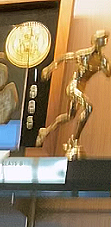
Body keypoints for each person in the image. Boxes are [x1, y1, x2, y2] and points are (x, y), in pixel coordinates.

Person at [36, 29, 110, 159]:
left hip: (81, 89)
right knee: (88, 107)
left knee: (69, 116)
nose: (105, 41)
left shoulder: (102, 61)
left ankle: (46, 131)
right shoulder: (84, 54)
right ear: (96, 40)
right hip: (73, 87)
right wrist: (50, 68)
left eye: (106, 39)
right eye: (102, 38)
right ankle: (74, 140)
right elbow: (65, 57)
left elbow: (108, 74)